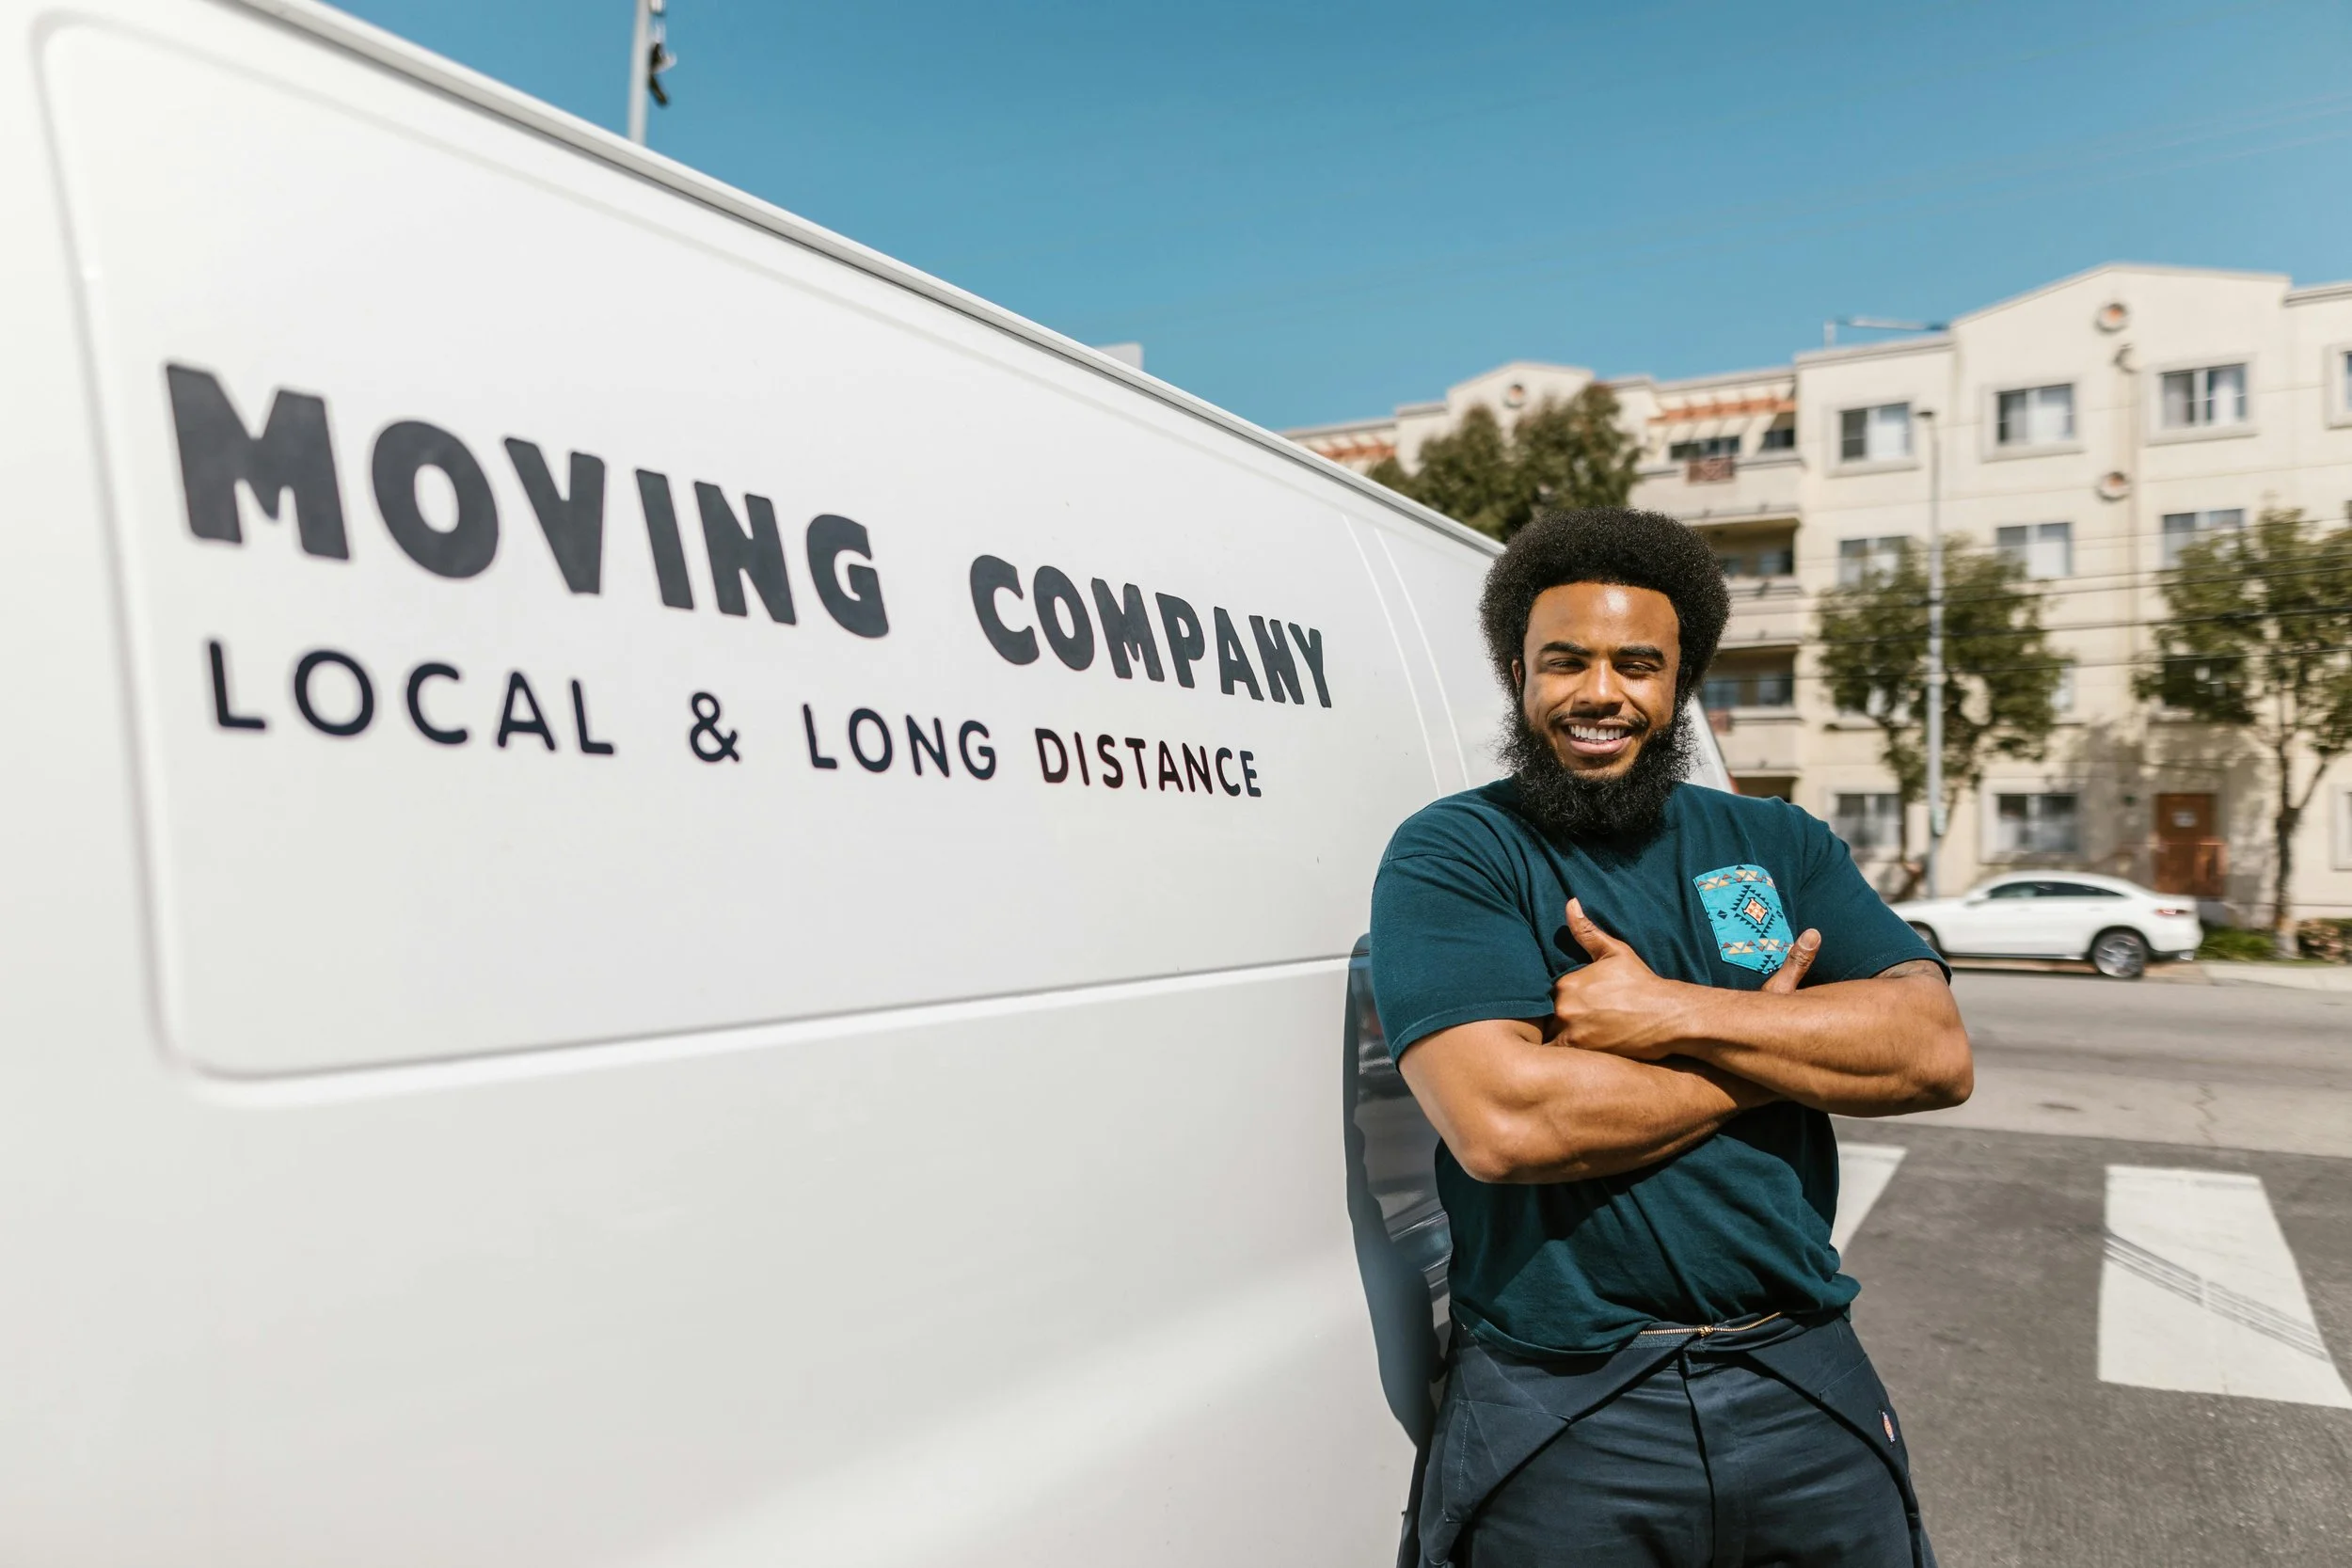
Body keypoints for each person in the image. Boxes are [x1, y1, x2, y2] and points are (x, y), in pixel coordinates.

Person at [1368, 507, 1972, 1568]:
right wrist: (1783, 1049)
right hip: (1566, 1404)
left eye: (1637, 663)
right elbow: (1506, 1119)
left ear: (1681, 680)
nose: (1600, 692)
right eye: (1566, 660)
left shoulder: (1778, 841)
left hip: (1802, 1373)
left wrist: (1672, 1014)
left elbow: (1929, 1049)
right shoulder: (1457, 850)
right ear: (1519, 670)